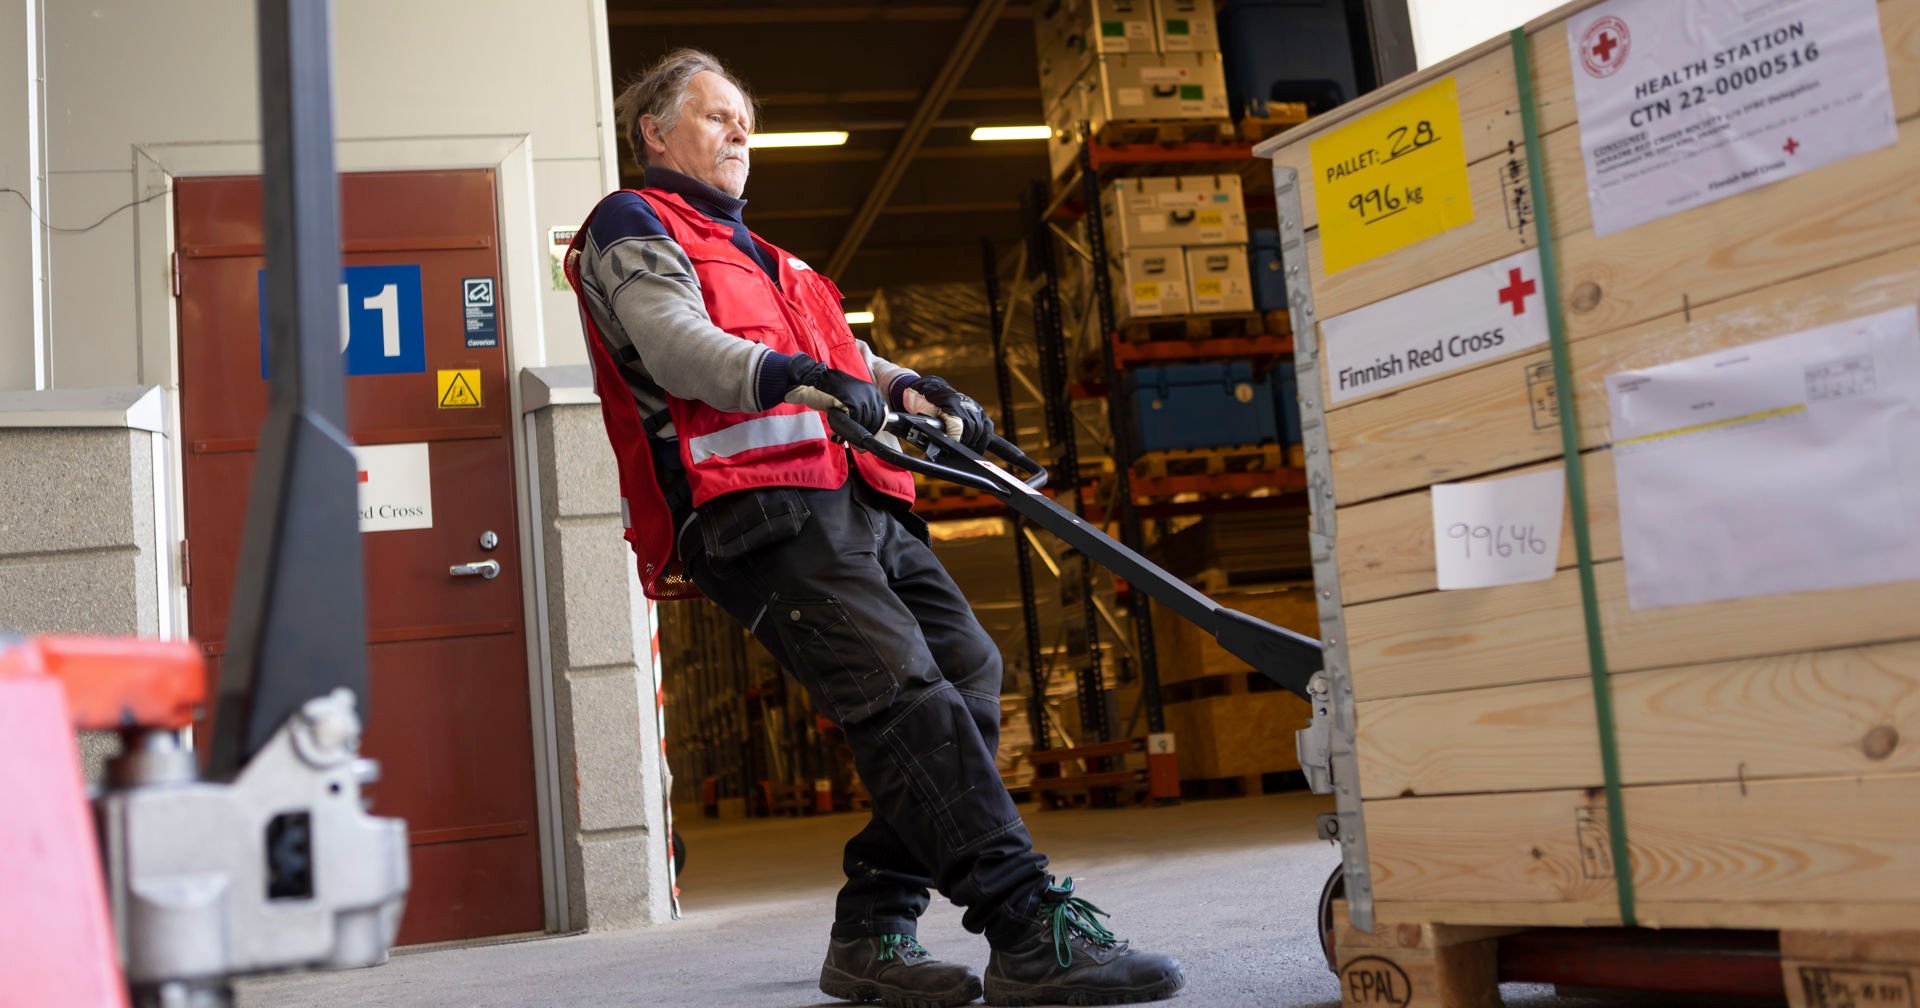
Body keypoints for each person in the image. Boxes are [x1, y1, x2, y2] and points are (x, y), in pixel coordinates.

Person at [564, 48, 1185, 1008]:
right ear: (654, 132)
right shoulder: (632, 223)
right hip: (756, 509)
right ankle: (1026, 928)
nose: (742, 134)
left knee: (968, 673)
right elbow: (677, 346)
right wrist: (796, 380)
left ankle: (872, 931)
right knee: (903, 692)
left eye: (747, 121)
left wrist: (911, 386)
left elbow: (844, 353)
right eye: (719, 115)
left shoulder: (776, 261)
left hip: (858, 496)